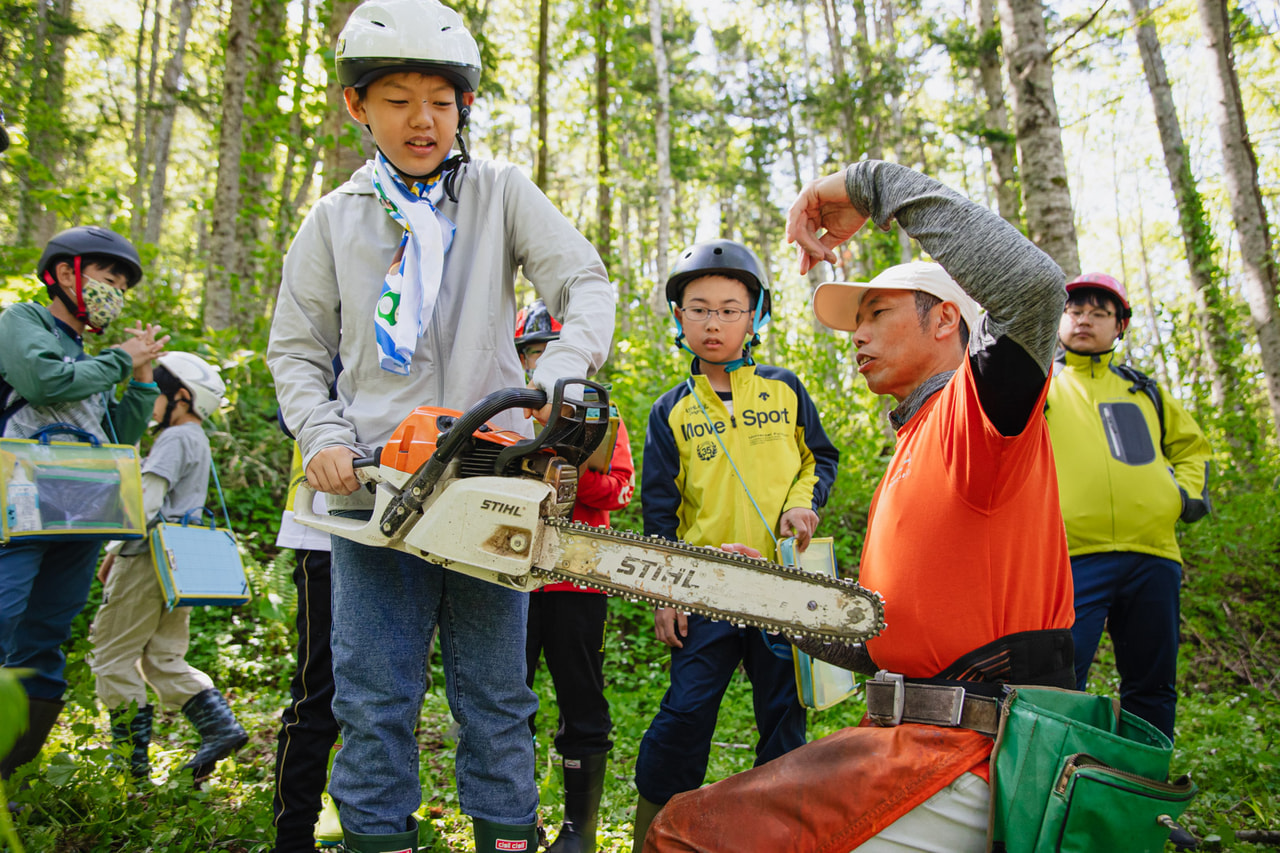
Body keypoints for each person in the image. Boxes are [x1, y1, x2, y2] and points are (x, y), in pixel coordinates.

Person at [642, 161, 1077, 853]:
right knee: (685, 823)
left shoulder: (979, 413)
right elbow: (878, 636)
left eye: (877, 313)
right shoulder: (911, 446)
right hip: (914, 739)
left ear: (944, 319)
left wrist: (870, 183)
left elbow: (1032, 287)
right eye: (856, 320)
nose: (857, 335)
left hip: (976, 752)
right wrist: (763, 593)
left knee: (690, 836)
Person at [265, 0, 615, 849]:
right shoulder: (334, 218)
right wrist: (323, 437)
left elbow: (587, 283)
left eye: (440, 99)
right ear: (358, 106)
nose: (422, 119)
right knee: (372, 693)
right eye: (397, 98)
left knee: (496, 692)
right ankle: (377, 833)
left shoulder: (499, 192)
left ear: (463, 105)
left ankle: (505, 832)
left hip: (491, 480)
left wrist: (562, 377)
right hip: (375, 486)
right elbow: (297, 351)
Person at [631, 239, 840, 851]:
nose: (713, 321)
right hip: (706, 585)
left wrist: (806, 500)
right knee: (686, 711)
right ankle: (654, 833)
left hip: (784, 583)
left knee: (784, 715)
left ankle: (779, 835)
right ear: (679, 318)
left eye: (729, 308)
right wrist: (666, 591)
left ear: (755, 317)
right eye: (698, 308)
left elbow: (819, 459)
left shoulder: (785, 389)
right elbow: (660, 513)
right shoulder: (669, 411)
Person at [0, 226, 167, 779]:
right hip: (19, 501)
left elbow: (116, 437)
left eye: (121, 281)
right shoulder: (22, 322)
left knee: (46, 633)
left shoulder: (91, 358)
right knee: (3, 614)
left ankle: (9, 770)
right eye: (103, 274)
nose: (112, 287)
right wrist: (121, 359)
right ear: (63, 274)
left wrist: (141, 380)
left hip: (81, 507)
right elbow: (43, 381)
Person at [1045, 272, 1210, 740]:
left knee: (1153, 685)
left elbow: (1191, 447)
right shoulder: (1040, 387)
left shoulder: (1145, 391)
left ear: (1121, 327)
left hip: (1153, 557)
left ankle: (1144, 791)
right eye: (1075, 311)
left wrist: (1184, 496)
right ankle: (1059, 788)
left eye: (1099, 313)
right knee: (1059, 683)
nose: (1084, 320)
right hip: (1072, 558)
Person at [88, 352, 248, 782]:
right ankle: (220, 727)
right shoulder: (198, 439)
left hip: (146, 558)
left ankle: (130, 767)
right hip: (181, 562)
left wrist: (114, 548)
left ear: (181, 396)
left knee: (112, 657)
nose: (152, 405)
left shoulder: (175, 439)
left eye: (158, 395)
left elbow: (148, 501)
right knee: (162, 656)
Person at [514, 299, 634, 853]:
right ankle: (513, 818)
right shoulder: (503, 412)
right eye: (534, 354)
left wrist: (572, 466)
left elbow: (620, 490)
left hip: (577, 579)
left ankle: (578, 829)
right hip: (510, 576)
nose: (542, 363)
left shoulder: (606, 420)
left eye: (552, 353)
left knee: (581, 699)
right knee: (507, 698)